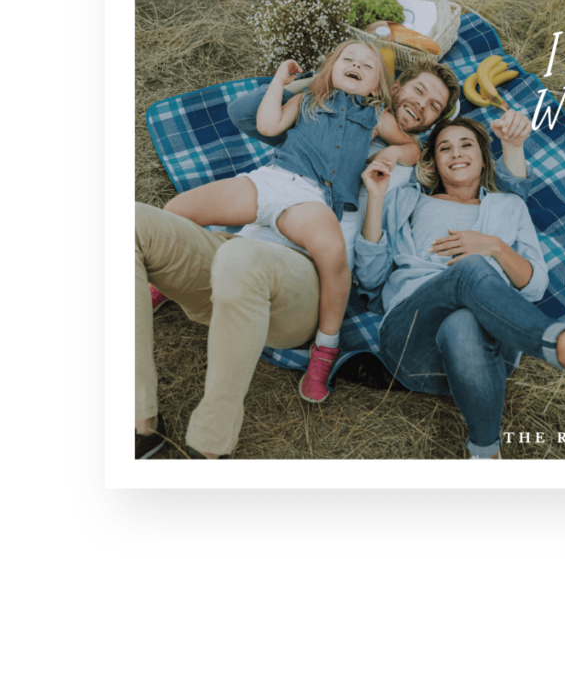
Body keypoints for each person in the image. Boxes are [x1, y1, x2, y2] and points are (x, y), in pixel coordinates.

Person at [135, 58, 530, 460]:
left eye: (433, 107)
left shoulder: (414, 179)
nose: (421, 106)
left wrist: (511, 150)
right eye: (418, 91)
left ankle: (207, 448)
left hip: (293, 273)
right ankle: (138, 424)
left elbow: (495, 202)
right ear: (394, 88)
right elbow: (244, 115)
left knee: (241, 255)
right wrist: (319, 82)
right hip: (234, 246)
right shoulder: (323, 114)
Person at [356, 117, 565, 460]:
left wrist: (495, 246)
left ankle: (485, 452)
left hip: (481, 353)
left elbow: (535, 285)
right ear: (434, 161)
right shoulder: (409, 202)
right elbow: (371, 279)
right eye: (444, 148)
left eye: (466, 144)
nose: (456, 153)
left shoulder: (509, 206)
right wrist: (376, 199)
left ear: (483, 157)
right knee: (469, 268)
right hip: (411, 339)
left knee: (462, 321)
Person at [159, 39, 420, 404]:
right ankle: (161, 282)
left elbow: (413, 148)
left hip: (312, 198)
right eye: (348, 58)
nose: (356, 64)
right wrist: (280, 81)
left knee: (332, 256)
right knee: (177, 208)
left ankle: (325, 351)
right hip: (272, 179)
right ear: (330, 69)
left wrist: (392, 151)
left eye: (367, 65)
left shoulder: (376, 117)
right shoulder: (307, 100)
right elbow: (267, 125)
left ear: (376, 86)